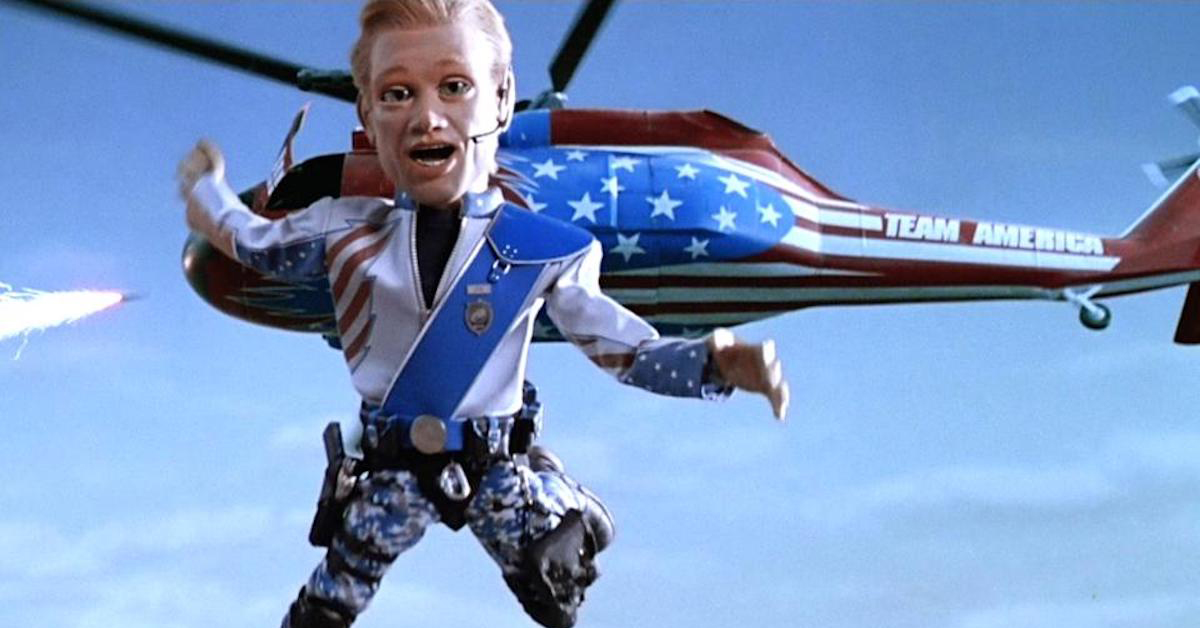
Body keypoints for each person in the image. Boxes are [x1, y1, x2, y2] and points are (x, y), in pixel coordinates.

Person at [177, 1, 789, 626]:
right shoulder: (342, 229)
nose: (427, 117)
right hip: (392, 470)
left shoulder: (547, 248)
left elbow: (621, 348)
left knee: (554, 598)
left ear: (501, 100)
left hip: (493, 470)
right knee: (328, 605)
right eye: (397, 94)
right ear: (368, 115)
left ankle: (557, 495)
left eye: (454, 87)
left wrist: (713, 365)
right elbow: (255, 242)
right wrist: (207, 192)